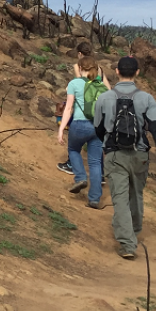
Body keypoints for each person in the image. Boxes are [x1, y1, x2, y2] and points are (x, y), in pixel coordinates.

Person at [93, 57, 156, 260]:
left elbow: (98, 128)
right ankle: (134, 229)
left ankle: (128, 244)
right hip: (140, 154)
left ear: (117, 71)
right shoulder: (146, 99)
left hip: (115, 154)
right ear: (137, 73)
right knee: (136, 193)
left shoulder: (105, 98)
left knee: (119, 197)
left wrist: (108, 144)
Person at [57, 56, 107, 208]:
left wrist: (61, 129)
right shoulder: (101, 87)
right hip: (98, 127)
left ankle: (80, 178)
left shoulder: (74, 83)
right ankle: (94, 199)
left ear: (79, 68)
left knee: (73, 150)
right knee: (95, 162)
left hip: (79, 124)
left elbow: (68, 108)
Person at [58, 42, 103, 174]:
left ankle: (72, 165)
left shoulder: (79, 66)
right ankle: (101, 173)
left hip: (82, 108)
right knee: (95, 143)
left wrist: (70, 88)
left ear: (79, 54)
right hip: (96, 111)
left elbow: (81, 83)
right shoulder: (98, 68)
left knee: (75, 138)